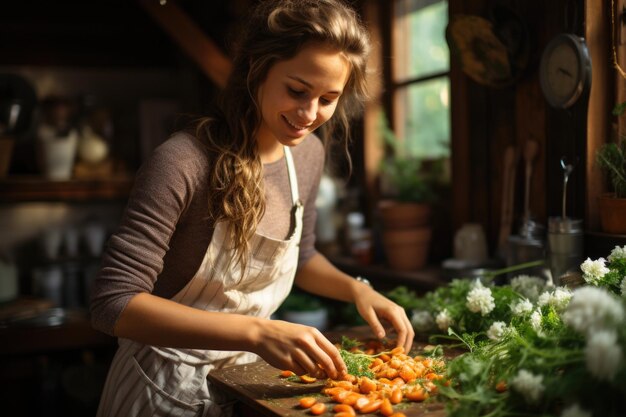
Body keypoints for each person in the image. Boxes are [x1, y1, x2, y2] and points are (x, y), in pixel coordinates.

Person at [90, 0, 414, 416]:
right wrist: (256, 333)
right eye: (297, 91)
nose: (309, 114)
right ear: (256, 70)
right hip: (159, 390)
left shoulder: (307, 155)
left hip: (250, 387)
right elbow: (112, 302)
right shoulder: (183, 162)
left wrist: (358, 289)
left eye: (328, 98)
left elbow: (305, 255)